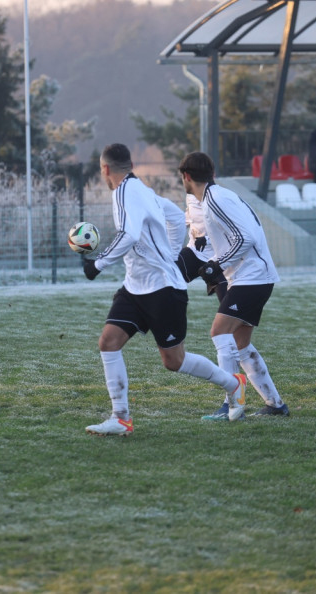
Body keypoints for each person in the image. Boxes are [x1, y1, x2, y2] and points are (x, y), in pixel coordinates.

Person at [81, 144, 248, 436]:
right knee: (108, 342)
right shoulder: (144, 191)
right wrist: (169, 256)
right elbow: (173, 217)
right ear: (130, 164)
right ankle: (120, 418)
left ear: (105, 169)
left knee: (174, 361)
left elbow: (128, 234)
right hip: (135, 287)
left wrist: (99, 264)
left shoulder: (122, 192)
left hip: (163, 289)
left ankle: (233, 384)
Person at [178, 151, 289, 420]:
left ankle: (230, 405)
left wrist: (217, 264)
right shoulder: (216, 196)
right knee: (241, 346)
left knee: (219, 332)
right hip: (251, 277)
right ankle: (275, 405)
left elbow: (246, 237)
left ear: (187, 176)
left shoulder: (214, 199)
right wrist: (216, 262)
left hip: (252, 278)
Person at [175, 192, 227, 302]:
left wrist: (207, 239)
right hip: (194, 252)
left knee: (228, 304)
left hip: (218, 258)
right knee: (167, 275)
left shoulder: (217, 197)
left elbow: (228, 229)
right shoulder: (190, 195)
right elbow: (188, 218)